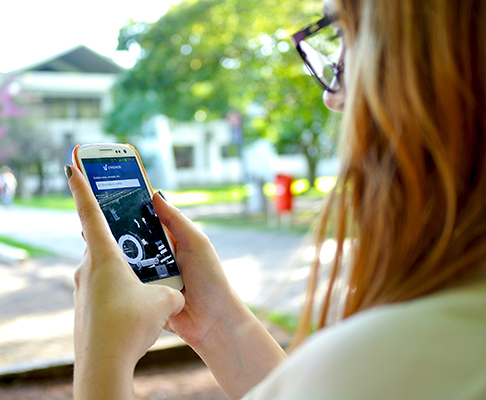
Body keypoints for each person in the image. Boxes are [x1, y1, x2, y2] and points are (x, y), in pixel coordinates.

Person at [65, 0, 486, 398]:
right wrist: (217, 323)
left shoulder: (400, 354)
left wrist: (100, 356)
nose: (331, 94)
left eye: (341, 33)